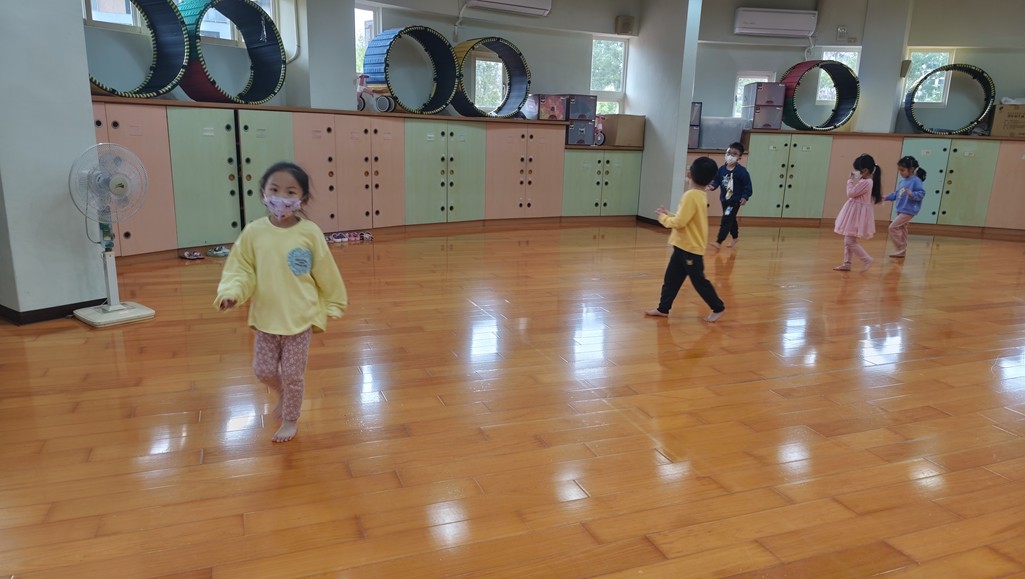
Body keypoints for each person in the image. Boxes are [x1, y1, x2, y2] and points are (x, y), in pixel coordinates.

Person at [214, 162, 348, 443]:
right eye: (275, 190)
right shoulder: (254, 232)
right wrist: (232, 292)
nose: (281, 198)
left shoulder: (309, 233)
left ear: (302, 199)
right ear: (263, 193)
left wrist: (334, 302)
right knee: (263, 371)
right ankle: (284, 393)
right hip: (266, 318)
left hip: (299, 319)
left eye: (290, 192)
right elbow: (241, 269)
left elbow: (325, 269)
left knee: (293, 375)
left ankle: (290, 419)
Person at [645, 156, 727, 322]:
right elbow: (685, 218)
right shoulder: (699, 194)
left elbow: (679, 223)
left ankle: (718, 307)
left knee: (699, 281)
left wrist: (662, 218)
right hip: (682, 246)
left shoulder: (691, 195)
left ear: (689, 174)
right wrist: (668, 213)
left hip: (690, 248)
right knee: (671, 279)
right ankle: (663, 308)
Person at [833, 153, 882, 272]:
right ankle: (847, 263)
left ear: (865, 171)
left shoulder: (866, 182)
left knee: (850, 241)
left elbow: (851, 193)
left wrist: (850, 180)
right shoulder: (866, 181)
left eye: (858, 170)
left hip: (856, 214)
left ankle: (867, 259)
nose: (856, 172)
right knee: (848, 239)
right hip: (855, 212)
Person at [708, 142, 753, 249]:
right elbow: (716, 181)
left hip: (734, 201)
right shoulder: (721, 169)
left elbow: (747, 186)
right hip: (724, 200)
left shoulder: (742, 172)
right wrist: (711, 186)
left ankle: (719, 241)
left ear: (739, 157)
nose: (730, 156)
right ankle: (735, 237)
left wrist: (745, 197)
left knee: (726, 218)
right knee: (731, 219)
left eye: (734, 154)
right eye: (729, 153)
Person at [883, 155, 927, 258]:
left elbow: (921, 194)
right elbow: (897, 194)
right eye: (899, 170)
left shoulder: (916, 181)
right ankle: (901, 250)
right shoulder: (902, 181)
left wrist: (912, 194)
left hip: (909, 210)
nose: (900, 172)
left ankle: (900, 248)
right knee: (902, 229)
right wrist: (886, 197)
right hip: (901, 209)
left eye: (902, 170)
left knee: (893, 227)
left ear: (911, 169)